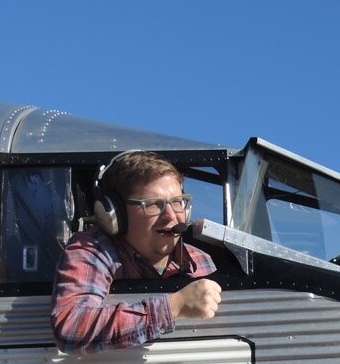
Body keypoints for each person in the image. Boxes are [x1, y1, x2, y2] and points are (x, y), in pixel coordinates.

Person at [51, 151, 223, 353]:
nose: (171, 216)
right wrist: (175, 306)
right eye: (152, 205)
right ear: (115, 214)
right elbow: (72, 326)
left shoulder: (200, 260)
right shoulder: (92, 250)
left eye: (177, 202)